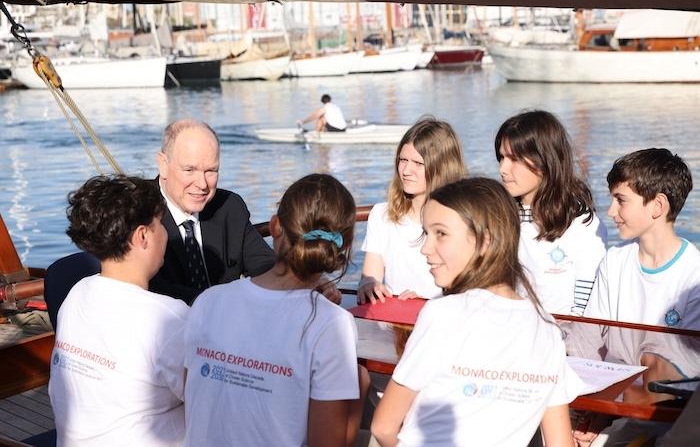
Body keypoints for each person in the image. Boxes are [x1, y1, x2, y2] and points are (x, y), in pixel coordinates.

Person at [371, 177, 582, 447]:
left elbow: (384, 426)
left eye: (441, 234)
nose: (425, 248)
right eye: (426, 233)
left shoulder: (443, 314)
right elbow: (559, 443)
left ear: (485, 241)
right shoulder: (547, 328)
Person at [183, 173, 369, 447]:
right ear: (345, 245)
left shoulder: (208, 302)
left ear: (275, 227)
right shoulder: (331, 324)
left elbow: (193, 398)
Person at [49, 175, 188, 447]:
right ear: (143, 235)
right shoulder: (169, 318)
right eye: (160, 224)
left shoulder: (76, 295)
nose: (166, 234)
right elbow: (215, 401)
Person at [577, 148, 699, 447]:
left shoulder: (693, 276)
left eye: (620, 200)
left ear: (657, 206)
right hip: (612, 401)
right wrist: (587, 412)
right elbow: (588, 341)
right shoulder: (614, 262)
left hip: (666, 414)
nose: (610, 211)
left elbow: (682, 375)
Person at [495, 110, 607, 316]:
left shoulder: (580, 223)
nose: (503, 168)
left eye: (514, 159)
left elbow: (588, 296)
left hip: (564, 337)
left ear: (545, 160)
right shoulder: (499, 216)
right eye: (502, 157)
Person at [152, 119, 276, 304]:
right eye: (189, 170)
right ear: (163, 164)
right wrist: (219, 304)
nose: (202, 184)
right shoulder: (137, 212)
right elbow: (148, 287)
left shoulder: (229, 207)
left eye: (211, 171)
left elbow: (266, 266)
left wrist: (303, 281)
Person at [358, 118, 465, 304]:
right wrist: (368, 285)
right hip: (390, 324)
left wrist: (424, 301)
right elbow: (370, 276)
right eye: (403, 160)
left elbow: (470, 289)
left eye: (418, 163)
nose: (406, 170)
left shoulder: (463, 220)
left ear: (442, 167)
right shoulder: (381, 215)